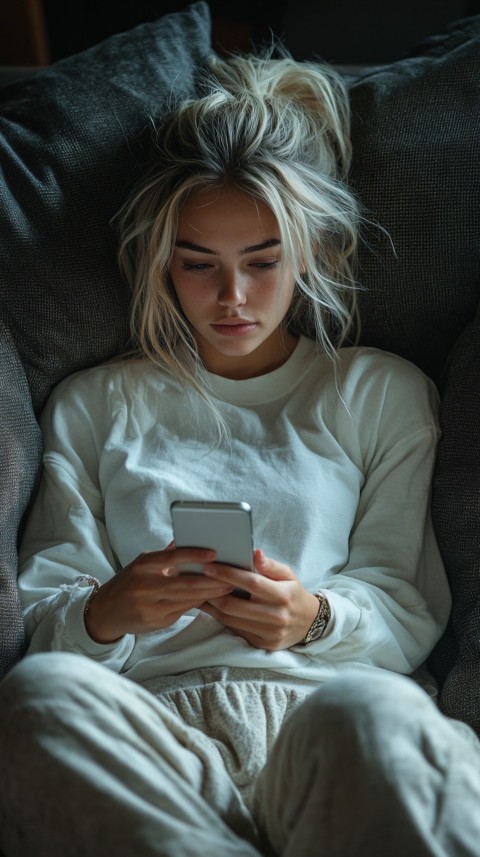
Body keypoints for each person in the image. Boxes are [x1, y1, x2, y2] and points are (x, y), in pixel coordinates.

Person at [1, 47, 480, 857]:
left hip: (326, 715)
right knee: (40, 700)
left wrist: (312, 617)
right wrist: (105, 611)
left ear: (315, 256)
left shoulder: (379, 393)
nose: (231, 297)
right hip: (150, 733)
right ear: (161, 263)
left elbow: (406, 604)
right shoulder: (97, 404)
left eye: (262, 264)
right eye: (198, 265)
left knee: (377, 717)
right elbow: (45, 617)